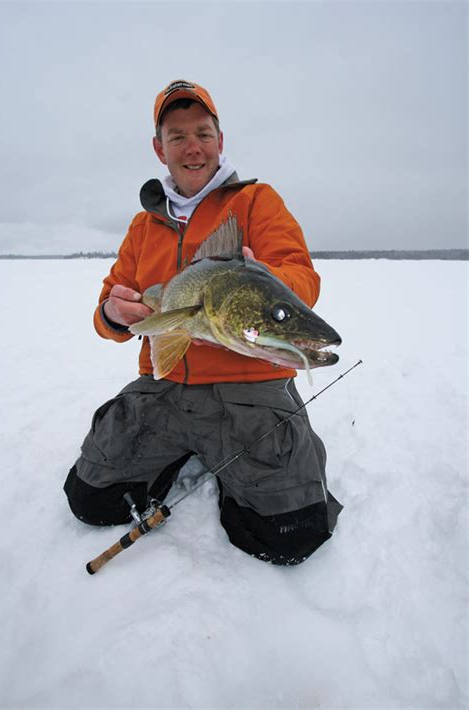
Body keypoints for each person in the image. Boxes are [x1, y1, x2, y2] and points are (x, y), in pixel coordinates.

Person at [64, 79, 342, 565]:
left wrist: (269, 280)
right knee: (90, 497)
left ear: (221, 140)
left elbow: (301, 273)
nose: (193, 147)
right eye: (178, 136)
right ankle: (192, 452)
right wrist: (112, 313)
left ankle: (238, 467)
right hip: (166, 384)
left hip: (251, 385)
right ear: (159, 148)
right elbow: (110, 304)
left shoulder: (257, 202)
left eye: (204, 133)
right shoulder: (141, 225)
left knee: (289, 535)